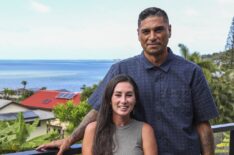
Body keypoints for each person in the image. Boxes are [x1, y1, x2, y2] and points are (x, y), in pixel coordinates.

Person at [37, 7, 218, 155]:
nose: (152, 36)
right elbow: (99, 110)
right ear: (138, 34)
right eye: (146, 31)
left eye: (159, 29)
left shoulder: (191, 72)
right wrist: (70, 139)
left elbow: (202, 124)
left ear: (169, 30)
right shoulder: (121, 70)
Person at [82, 74, 157, 155]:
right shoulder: (92, 130)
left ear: (135, 99)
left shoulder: (145, 130)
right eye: (118, 95)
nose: (123, 100)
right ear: (110, 99)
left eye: (129, 95)